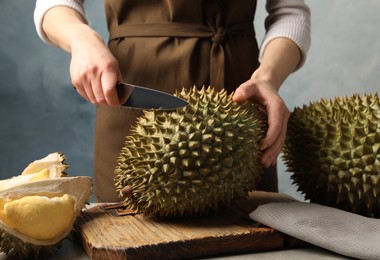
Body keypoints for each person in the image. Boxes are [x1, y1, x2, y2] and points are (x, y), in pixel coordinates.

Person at [34, 0, 311, 202]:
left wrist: (267, 79)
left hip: (240, 99)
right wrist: (81, 38)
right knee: (127, 235)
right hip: (130, 101)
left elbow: (290, 12)